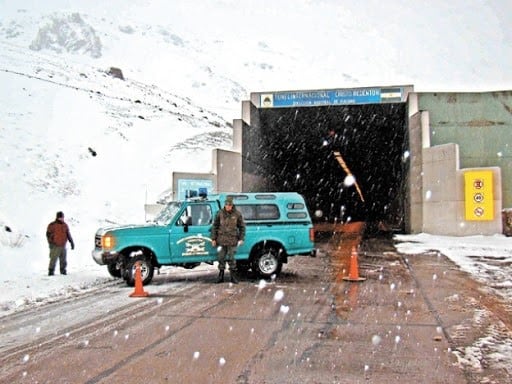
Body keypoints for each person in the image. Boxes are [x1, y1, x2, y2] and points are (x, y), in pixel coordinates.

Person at [211, 196, 246, 284]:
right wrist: (213, 238)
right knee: (221, 258)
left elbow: (242, 227)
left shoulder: (237, 214)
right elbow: (214, 226)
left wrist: (241, 238)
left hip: (232, 240)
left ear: (232, 205)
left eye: (229, 205)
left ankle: (233, 277)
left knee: (232, 259)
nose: (228, 207)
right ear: (225, 205)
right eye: (226, 205)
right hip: (221, 240)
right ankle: (221, 275)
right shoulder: (220, 213)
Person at [46, 211, 74, 276]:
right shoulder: (52, 225)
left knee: (63, 260)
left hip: (63, 245)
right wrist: (51, 242)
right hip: (55, 245)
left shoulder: (65, 225)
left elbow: (68, 234)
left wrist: (71, 242)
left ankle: (63, 271)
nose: (61, 219)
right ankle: (51, 271)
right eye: (60, 217)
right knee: (53, 259)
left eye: (62, 217)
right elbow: (48, 234)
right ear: (57, 217)